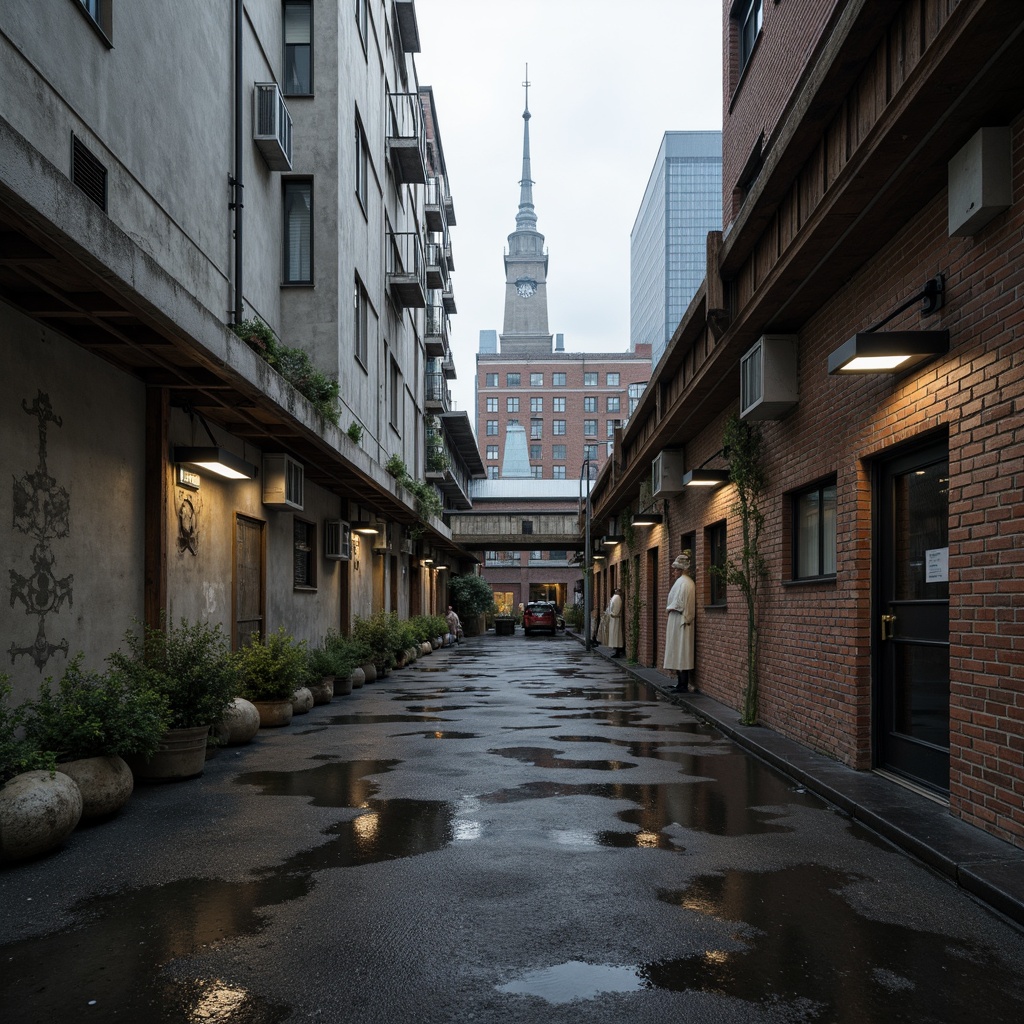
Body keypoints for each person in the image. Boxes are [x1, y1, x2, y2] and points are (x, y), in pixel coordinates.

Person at [664, 551, 695, 692]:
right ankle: (680, 683)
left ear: (681, 570)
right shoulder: (683, 582)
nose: (673, 572)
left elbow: (679, 604)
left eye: (676, 569)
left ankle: (683, 684)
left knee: (680, 651)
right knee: (678, 651)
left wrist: (670, 608)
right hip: (677, 621)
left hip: (680, 622)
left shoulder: (684, 583)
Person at [605, 588, 624, 657]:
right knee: (615, 635)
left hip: (615, 618)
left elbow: (616, 609)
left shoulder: (616, 598)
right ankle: (616, 649)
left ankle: (617, 650)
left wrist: (613, 614)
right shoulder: (616, 598)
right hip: (614, 618)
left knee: (616, 635)